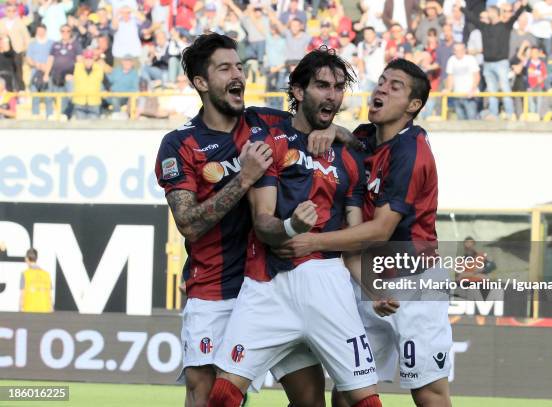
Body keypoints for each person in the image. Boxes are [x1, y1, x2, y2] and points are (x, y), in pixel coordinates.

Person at [155, 33, 338, 407]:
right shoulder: (180, 144)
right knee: (208, 399)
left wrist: (331, 129)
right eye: (225, 68)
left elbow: (318, 123)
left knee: (310, 399)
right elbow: (188, 223)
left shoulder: (268, 122)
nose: (238, 73)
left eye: (239, 66)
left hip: (274, 288)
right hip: (214, 291)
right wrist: (245, 177)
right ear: (201, 83)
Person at [208, 47, 382, 407]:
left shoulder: (349, 158)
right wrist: (292, 226)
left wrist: (374, 290)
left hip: (328, 284)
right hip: (268, 283)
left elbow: (353, 241)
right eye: (321, 85)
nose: (331, 95)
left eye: (337, 87)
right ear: (299, 92)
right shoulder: (271, 143)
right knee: (222, 395)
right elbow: (263, 223)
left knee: (365, 401)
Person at [277, 59, 453, 407]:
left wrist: (313, 241)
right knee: (348, 391)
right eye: (382, 81)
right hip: (366, 283)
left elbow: (381, 229)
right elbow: (351, 140)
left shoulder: (412, 152)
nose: (382, 88)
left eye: (396, 86)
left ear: (413, 106)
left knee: (428, 392)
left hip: (413, 284)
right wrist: (339, 132)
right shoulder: (362, 138)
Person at [462, 0, 528, 119]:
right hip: (488, 64)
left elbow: (516, 15)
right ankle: (494, 114)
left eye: (489, 11)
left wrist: (523, 5)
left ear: (496, 13)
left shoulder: (505, 26)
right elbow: (472, 18)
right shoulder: (484, 27)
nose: (487, 13)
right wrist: (461, 9)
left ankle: (509, 113)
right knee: (492, 91)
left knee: (505, 88)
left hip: (501, 63)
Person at [445, 41, 480, 119]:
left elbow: (477, 76)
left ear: (465, 50)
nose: (458, 52)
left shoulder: (471, 59)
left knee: (472, 120)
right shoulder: (451, 60)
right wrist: (448, 89)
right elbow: (450, 77)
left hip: (470, 96)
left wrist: (473, 89)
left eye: (460, 50)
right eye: (456, 50)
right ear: (453, 51)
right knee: (460, 122)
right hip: (457, 96)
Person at [72, 49, 105, 119]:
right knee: (80, 127)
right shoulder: (76, 67)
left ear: (93, 59)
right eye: (86, 58)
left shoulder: (99, 68)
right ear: (83, 59)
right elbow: (63, 70)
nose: (88, 61)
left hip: (94, 102)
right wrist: (67, 76)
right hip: (79, 102)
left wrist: (108, 90)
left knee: (93, 127)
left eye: (90, 58)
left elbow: (106, 81)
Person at [20, 248, 53, 313]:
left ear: (26, 258)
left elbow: (22, 295)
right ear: (36, 258)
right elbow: (50, 296)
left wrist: (20, 309)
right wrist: (51, 309)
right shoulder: (46, 274)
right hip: (45, 310)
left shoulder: (25, 274)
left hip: (29, 310)